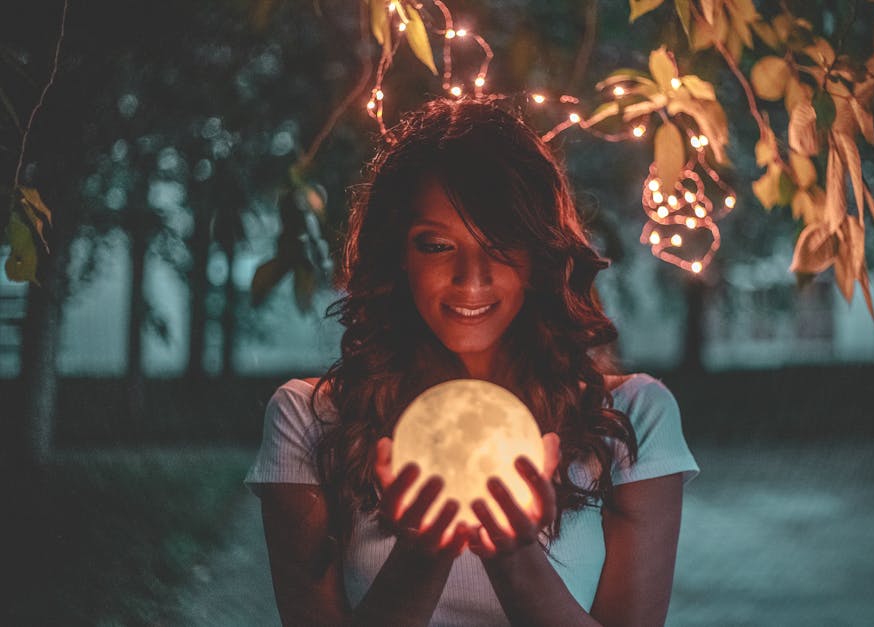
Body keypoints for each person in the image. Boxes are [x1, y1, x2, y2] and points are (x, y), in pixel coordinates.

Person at [245, 97, 699, 626]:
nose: (471, 278)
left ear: (540, 257)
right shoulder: (310, 420)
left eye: (502, 244)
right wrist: (421, 554)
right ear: (399, 255)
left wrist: (514, 556)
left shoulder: (632, 417)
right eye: (437, 245)